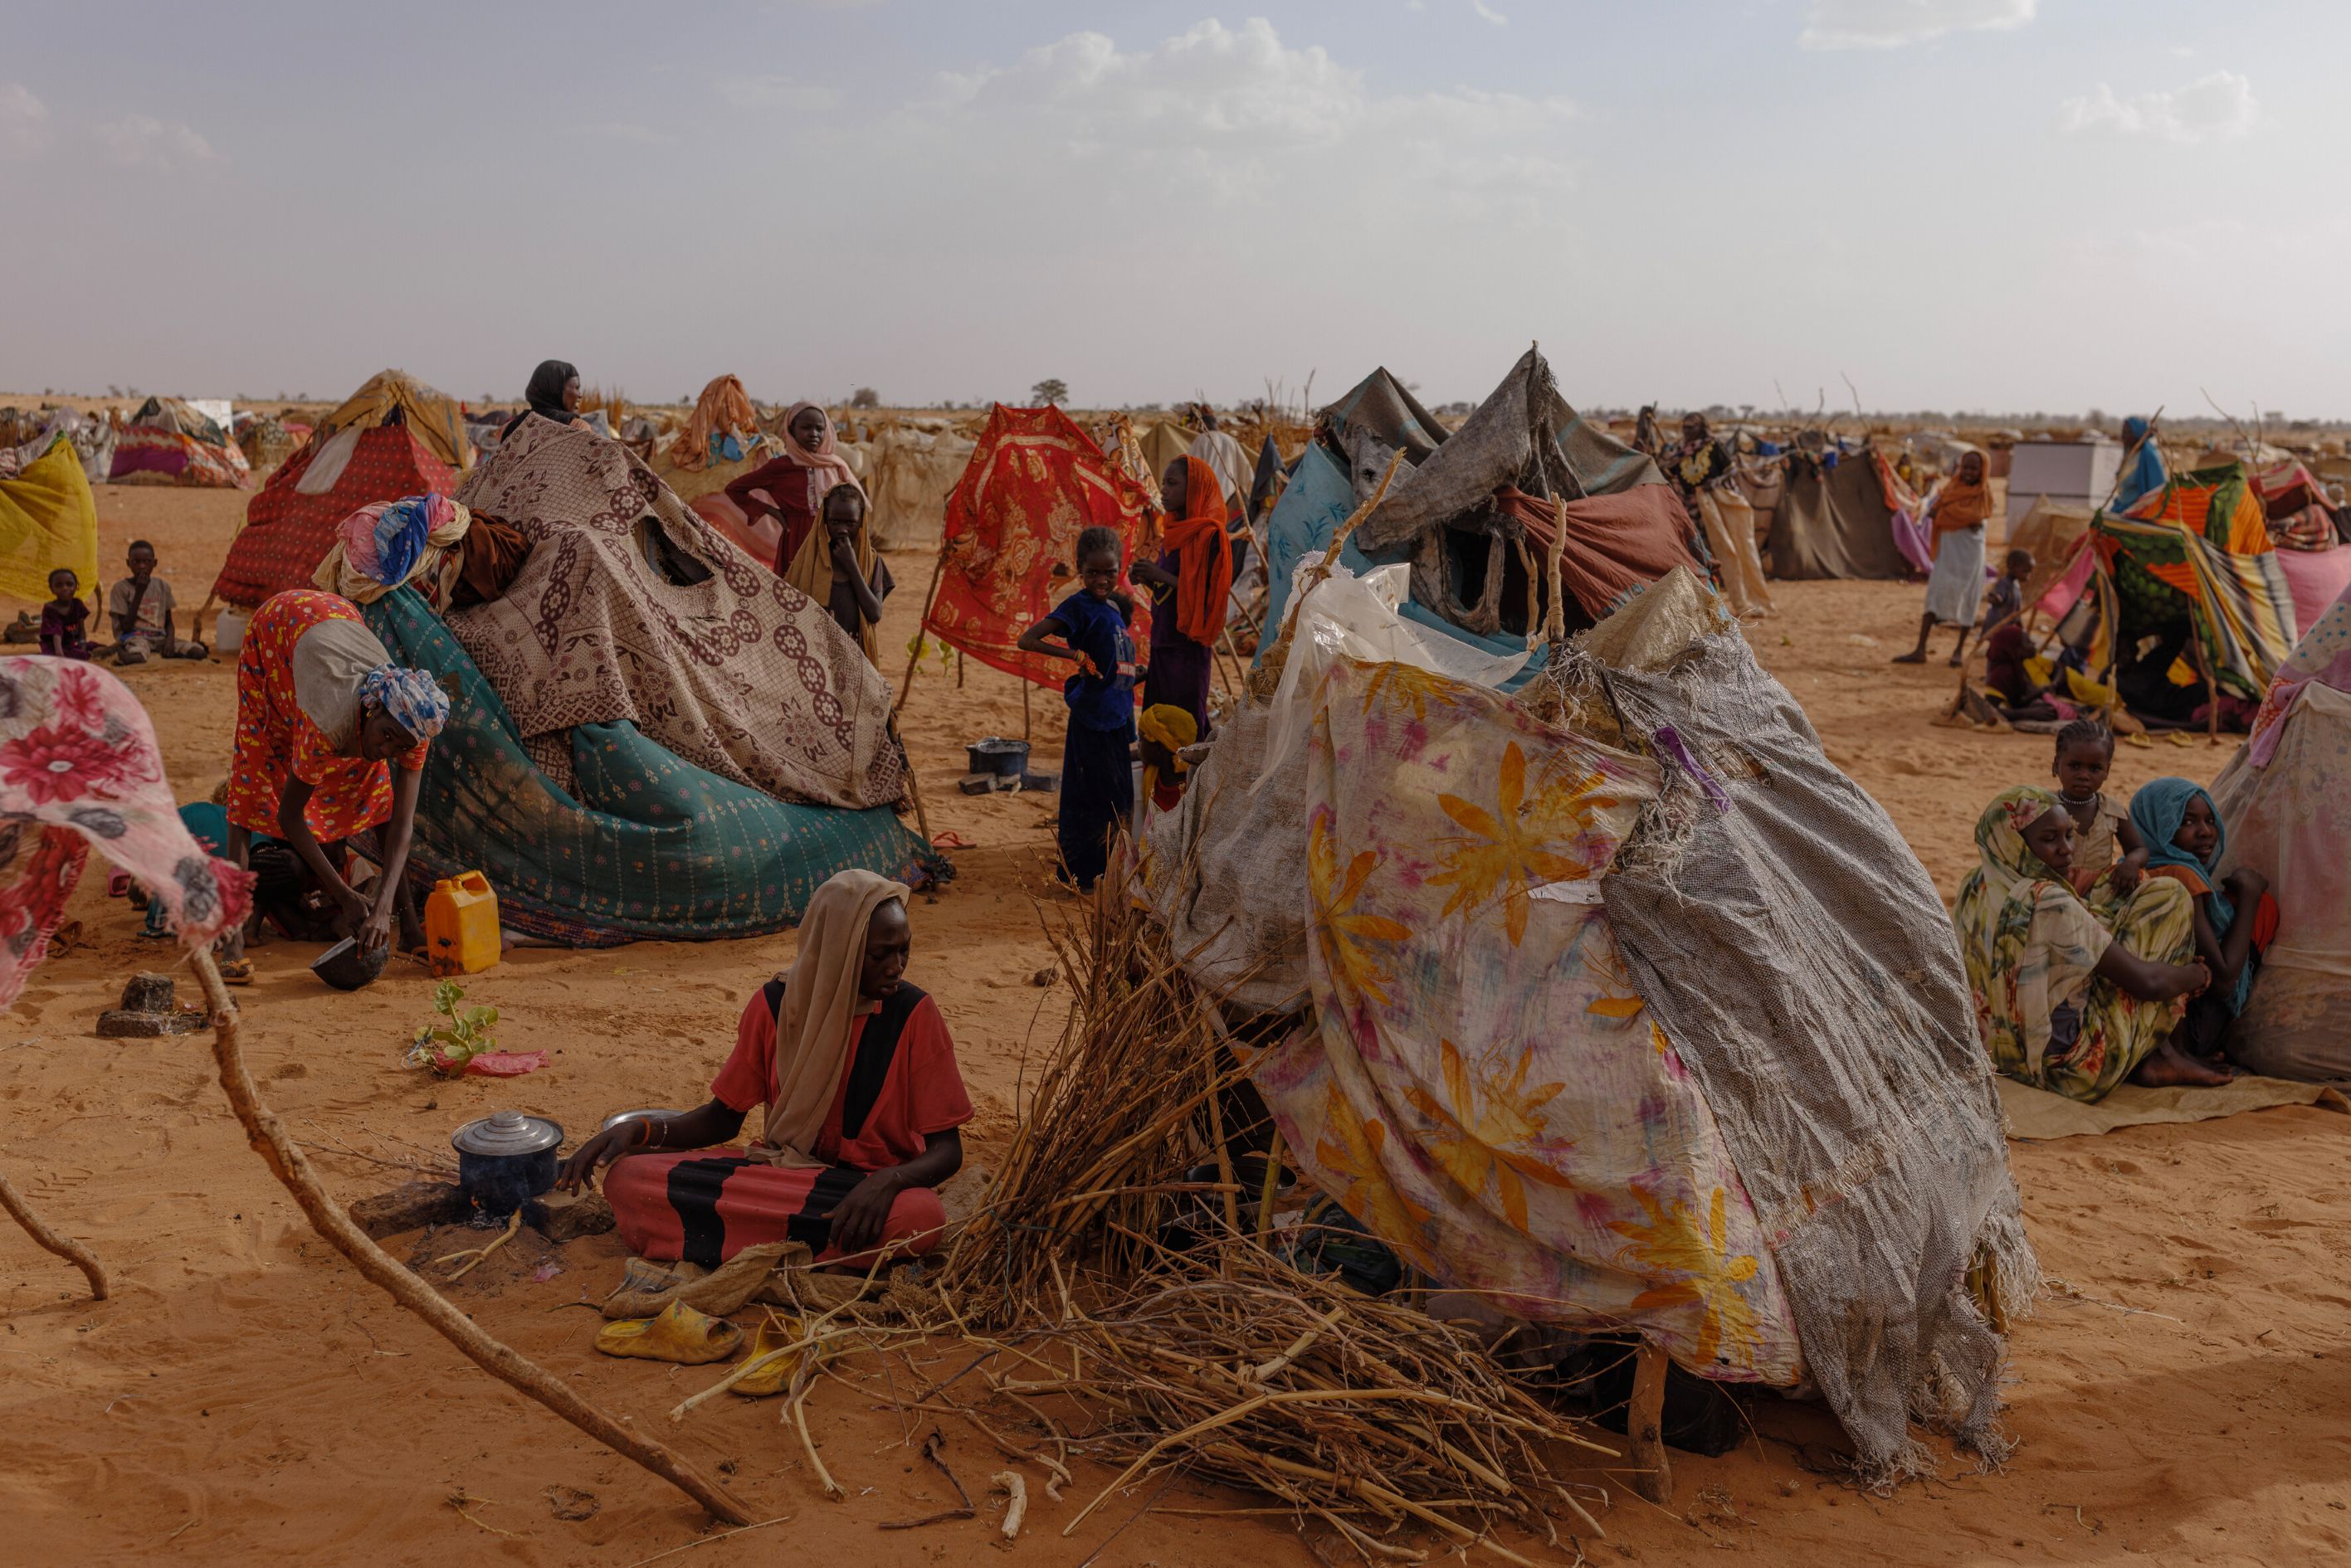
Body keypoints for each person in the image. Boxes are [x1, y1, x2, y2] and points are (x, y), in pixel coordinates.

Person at [558, 869, 968, 1269]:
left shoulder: (914, 1013)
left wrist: (890, 1181)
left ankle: (737, 1243)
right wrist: (639, 1130)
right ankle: (813, 1251)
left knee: (920, 1216)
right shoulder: (775, 1005)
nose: (897, 966)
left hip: (869, 1193)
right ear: (837, 947)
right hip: (784, 1178)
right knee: (629, 1179)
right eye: (880, 954)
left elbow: (947, 1150)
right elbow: (724, 1119)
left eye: (904, 950)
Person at [223, 589, 450, 971]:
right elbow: (289, 817)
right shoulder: (328, 718)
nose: (388, 748)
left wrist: (383, 909)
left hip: (336, 622)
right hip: (278, 631)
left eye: (400, 746)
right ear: (372, 707)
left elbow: (401, 824)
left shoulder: (416, 725)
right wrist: (343, 894)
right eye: (386, 735)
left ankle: (410, 932)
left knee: (375, 793)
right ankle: (231, 937)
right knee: (255, 775)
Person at [1953, 786, 2227, 1100]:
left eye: (2068, 835)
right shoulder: (2049, 901)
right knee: (2172, 898)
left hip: (2000, 1057)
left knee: (2134, 905)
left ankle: (2160, 1054)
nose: (2066, 849)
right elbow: (2149, 984)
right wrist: (2198, 976)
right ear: (2015, 844)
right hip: (2076, 1072)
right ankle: (2161, 1057)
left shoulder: (1976, 883)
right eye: (2049, 839)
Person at [1017, 526, 1137, 893]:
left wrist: (1136, 674)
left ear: (1119, 569)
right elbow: (1028, 639)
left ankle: (1110, 871)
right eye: (1093, 573)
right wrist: (1073, 654)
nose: (1101, 580)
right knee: (1092, 796)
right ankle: (1083, 877)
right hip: (1092, 717)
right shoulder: (1076, 607)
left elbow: (1114, 659)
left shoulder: (1116, 608)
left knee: (1120, 797)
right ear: (1080, 571)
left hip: (1117, 715)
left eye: (1109, 572)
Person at [2129, 778, 2279, 1064]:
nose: (2206, 832)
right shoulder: (2181, 876)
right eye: (2187, 822)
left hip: (2138, 1030)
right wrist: (2250, 895)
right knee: (2263, 910)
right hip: (2189, 1033)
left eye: (2210, 820)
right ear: (2157, 825)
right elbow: (2222, 981)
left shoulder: (2131, 867)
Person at [1129, 455, 1232, 736]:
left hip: (1189, 646)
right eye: (1163, 483)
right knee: (1159, 722)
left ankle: (1190, 780)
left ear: (1195, 489)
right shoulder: (1173, 533)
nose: (1164, 490)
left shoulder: (1211, 536)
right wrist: (1147, 579)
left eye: (1173, 483)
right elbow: (1171, 592)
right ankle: (1164, 779)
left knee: (1187, 723)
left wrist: (1159, 575)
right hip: (1163, 640)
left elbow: (1210, 596)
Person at [725, 401, 864, 576]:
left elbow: (857, 504)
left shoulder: (834, 465)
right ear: (792, 430)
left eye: (819, 429)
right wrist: (771, 511)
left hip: (832, 537)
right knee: (798, 592)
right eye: (806, 427)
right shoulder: (780, 467)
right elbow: (735, 489)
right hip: (797, 539)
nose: (814, 434)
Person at [1896, 450, 1997, 665]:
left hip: (1970, 555)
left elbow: (1975, 518)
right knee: (1935, 595)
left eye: (1973, 468)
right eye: (1965, 467)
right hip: (1948, 552)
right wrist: (1954, 516)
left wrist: (1948, 514)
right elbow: (1934, 512)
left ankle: (1958, 651)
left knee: (1968, 599)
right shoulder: (1952, 487)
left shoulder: (1984, 494)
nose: (1968, 472)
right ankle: (1920, 649)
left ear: (1983, 470)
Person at [784, 482, 892, 664]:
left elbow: (874, 613)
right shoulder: (809, 561)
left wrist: (852, 566)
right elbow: (786, 609)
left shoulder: (871, 562)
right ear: (825, 520)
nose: (842, 529)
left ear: (861, 522)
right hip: (813, 660)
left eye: (850, 523)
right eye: (835, 522)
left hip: (855, 660)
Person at [2049, 719, 2146, 898]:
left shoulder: (2112, 810)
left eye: (2095, 768)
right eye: (2075, 766)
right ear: (2056, 765)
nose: (2084, 776)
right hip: (2054, 889)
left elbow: (2138, 848)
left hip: (2099, 893)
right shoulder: (2044, 807)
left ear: (2107, 771)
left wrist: (2131, 863)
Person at [103, 540, 205, 664]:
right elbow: (126, 627)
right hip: (135, 637)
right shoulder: (120, 588)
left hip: (159, 637)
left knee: (198, 652)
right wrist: (139, 593)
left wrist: (170, 641)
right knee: (138, 657)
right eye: (136, 562)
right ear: (128, 563)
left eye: (146, 562)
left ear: (154, 563)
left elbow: (169, 622)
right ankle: (121, 651)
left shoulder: (162, 586)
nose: (141, 566)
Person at [1135, 701, 1197, 830]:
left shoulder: (1191, 792)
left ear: (1160, 749)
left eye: (1141, 739)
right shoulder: (1155, 770)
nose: (1138, 745)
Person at [501, 360, 585, 439]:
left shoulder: (510, 428)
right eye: (576, 388)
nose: (580, 395)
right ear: (557, 390)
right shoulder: (578, 427)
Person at [2113, 414, 2168, 514]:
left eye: (2127, 432)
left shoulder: (2149, 457)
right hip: (2121, 509)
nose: (2123, 436)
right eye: (2123, 432)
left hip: (2138, 513)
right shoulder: (2129, 455)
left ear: (2137, 433)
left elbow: (2157, 491)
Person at [38, 568, 90, 660]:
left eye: (69, 584)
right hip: (55, 647)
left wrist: (83, 648)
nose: (65, 588)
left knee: (99, 648)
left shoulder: (78, 604)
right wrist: (60, 656)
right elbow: (56, 634)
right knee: (74, 655)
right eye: (59, 585)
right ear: (52, 589)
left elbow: (82, 630)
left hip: (73, 644)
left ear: (76, 586)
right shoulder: (50, 609)